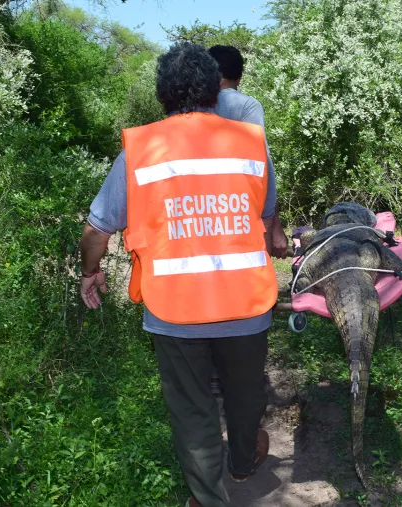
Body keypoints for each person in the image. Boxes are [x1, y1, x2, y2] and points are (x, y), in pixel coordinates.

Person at [79, 43, 284, 507]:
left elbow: (96, 229)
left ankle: (209, 499)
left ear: (162, 94)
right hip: (246, 303)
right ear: (215, 89)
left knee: (193, 410)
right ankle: (243, 462)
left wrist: (90, 271)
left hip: (174, 308)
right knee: (246, 392)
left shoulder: (140, 151)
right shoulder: (251, 143)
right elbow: (266, 215)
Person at [207, 44, 288, 398]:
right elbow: (261, 167)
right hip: (239, 215)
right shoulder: (245, 106)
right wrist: (274, 224)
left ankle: (211, 372)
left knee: (206, 286)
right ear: (239, 75)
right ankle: (239, 373)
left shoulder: (191, 106)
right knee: (240, 290)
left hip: (198, 215)